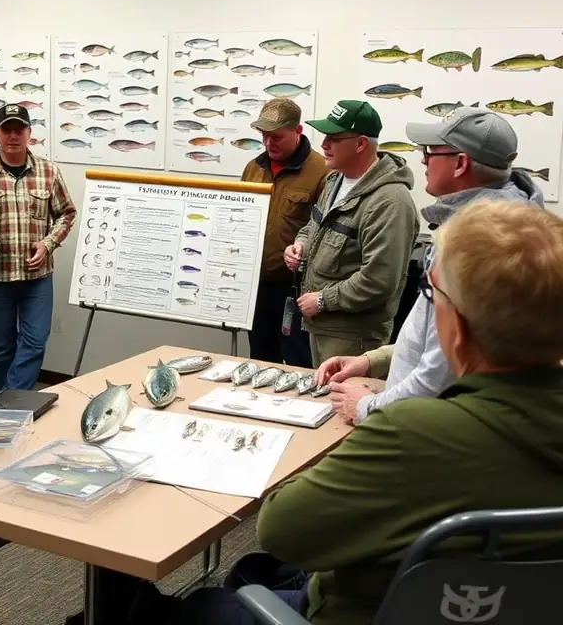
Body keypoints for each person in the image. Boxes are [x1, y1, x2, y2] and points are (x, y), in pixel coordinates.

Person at [77, 199, 563, 625]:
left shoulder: (415, 431)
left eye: (431, 295)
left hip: (361, 610)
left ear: (454, 329)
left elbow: (283, 532)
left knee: (197, 606)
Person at [316, 107, 544, 423]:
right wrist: (373, 361)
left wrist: (367, 406)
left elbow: (440, 371)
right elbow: (436, 338)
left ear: (461, 163)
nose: (422, 160)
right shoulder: (494, 223)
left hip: (430, 429)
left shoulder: (477, 246)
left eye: (430, 152)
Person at [283, 100, 418, 368]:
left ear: (360, 144)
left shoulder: (390, 202)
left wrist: (323, 300)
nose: (323, 144)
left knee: (345, 406)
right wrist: (299, 245)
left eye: (334, 138)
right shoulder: (336, 180)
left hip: (353, 337)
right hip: (320, 326)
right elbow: (314, 226)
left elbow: (379, 280)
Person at [0, 103, 77, 391]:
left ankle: (7, 404)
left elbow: (66, 213)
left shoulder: (48, 171)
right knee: (3, 349)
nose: (13, 135)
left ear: (29, 133)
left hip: (38, 277)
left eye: (19, 129)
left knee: (34, 342)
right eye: (6, 129)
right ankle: (9, 408)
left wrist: (48, 244)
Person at [240, 98, 328, 368]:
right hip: (257, 287)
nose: (268, 144)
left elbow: (323, 231)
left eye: (277, 137)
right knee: (260, 360)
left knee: (298, 362)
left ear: (297, 131)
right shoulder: (253, 169)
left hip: (296, 289)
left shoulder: (322, 172)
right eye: (264, 137)